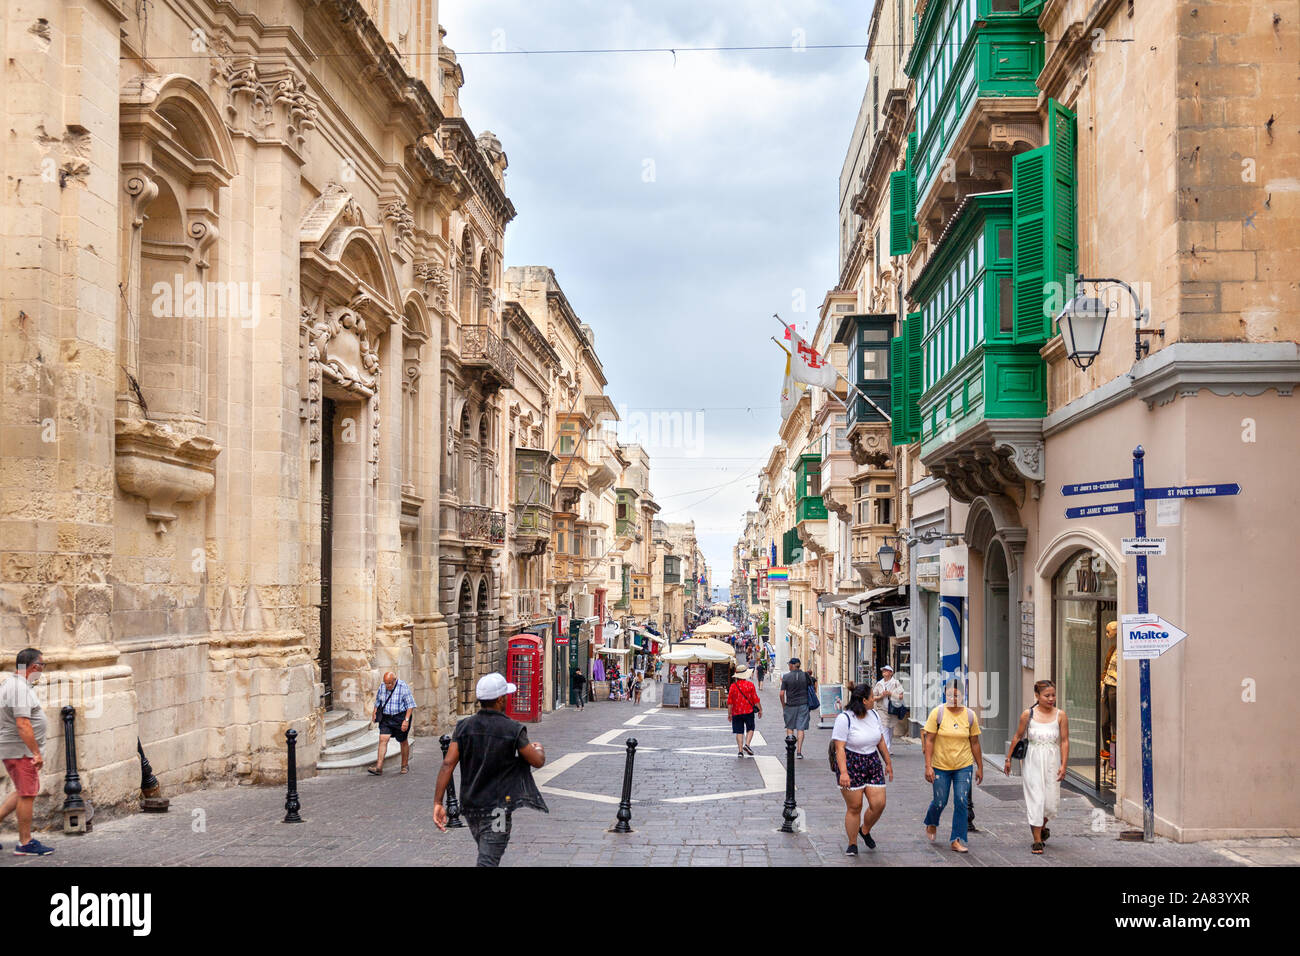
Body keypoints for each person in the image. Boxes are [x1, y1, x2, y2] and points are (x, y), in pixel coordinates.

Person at [434, 672, 547, 867]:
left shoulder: (463, 727)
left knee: (487, 854)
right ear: (500, 699)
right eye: (506, 696)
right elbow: (536, 761)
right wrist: (539, 749)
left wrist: (437, 802)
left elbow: (447, 764)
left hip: (471, 806)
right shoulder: (512, 729)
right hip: (498, 809)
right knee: (488, 861)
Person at [0, 648, 54, 856]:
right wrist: (35, 753)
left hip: (16, 749)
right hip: (21, 751)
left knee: (22, 791)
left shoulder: (13, 684)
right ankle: (25, 843)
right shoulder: (19, 689)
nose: (42, 670)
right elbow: (23, 723)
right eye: (42, 666)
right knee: (27, 794)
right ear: (34, 667)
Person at [1004, 680, 1068, 854]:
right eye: (1047, 695)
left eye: (1053, 695)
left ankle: (1042, 827)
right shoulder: (1028, 714)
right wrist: (1008, 759)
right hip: (1032, 760)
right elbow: (1017, 736)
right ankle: (1037, 840)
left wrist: (1064, 765)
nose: (1051, 699)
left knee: (1051, 803)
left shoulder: (1060, 715)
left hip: (1052, 761)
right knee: (1036, 799)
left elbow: (1064, 741)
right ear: (1037, 696)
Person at [922, 681, 984, 853]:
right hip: (940, 766)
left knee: (962, 801)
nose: (952, 698)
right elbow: (930, 740)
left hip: (963, 766)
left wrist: (980, 766)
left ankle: (956, 839)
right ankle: (932, 822)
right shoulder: (938, 713)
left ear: (963, 696)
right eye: (949, 695)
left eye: (956, 695)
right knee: (940, 801)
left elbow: (975, 743)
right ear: (945, 695)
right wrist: (928, 766)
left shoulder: (970, 715)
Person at [832, 684, 893, 856]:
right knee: (855, 806)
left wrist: (888, 762)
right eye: (872, 697)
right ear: (864, 700)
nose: (874, 699)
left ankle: (864, 830)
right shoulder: (845, 719)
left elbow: (881, 740)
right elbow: (840, 748)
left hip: (872, 762)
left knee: (879, 804)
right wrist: (843, 772)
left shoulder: (874, 714)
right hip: (852, 763)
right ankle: (852, 844)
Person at [368, 671, 415, 775]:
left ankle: (404, 765)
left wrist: (406, 721)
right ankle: (379, 767)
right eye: (386, 683)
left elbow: (410, 705)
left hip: (400, 717)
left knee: (402, 741)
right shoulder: (382, 686)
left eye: (390, 683)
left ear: (395, 680)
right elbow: (378, 701)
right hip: (386, 718)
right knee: (383, 739)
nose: (388, 685)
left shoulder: (403, 687)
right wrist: (374, 712)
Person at [727, 665, 763, 757]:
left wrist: (729, 714)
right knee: (750, 728)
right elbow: (755, 699)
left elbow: (730, 702)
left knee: (739, 731)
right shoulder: (750, 685)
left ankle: (740, 751)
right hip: (748, 711)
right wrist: (760, 709)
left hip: (736, 712)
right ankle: (747, 744)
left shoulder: (733, 686)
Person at [779, 658, 811, 758]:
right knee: (801, 728)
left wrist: (783, 704)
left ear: (792, 665)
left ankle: (790, 750)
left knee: (790, 727)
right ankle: (799, 752)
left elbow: (781, 693)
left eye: (789, 664)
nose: (788, 666)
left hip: (790, 705)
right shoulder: (805, 675)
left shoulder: (786, 677)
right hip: (803, 704)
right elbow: (812, 687)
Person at [872, 664, 906, 749]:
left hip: (893, 709)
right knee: (885, 727)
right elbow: (873, 697)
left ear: (891, 673)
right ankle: (886, 749)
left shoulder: (895, 683)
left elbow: (901, 696)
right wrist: (881, 696)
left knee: (890, 728)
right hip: (882, 709)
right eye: (883, 670)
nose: (884, 672)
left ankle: (888, 747)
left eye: (886, 670)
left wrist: (890, 694)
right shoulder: (879, 684)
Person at [1100, 621, 1118, 763]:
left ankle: (1113, 760)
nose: (1107, 635)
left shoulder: (1122, 651)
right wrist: (1102, 680)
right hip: (1107, 686)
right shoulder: (1113, 648)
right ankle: (1107, 752)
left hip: (1115, 688)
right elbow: (1106, 666)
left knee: (1114, 726)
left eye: (1108, 632)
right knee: (1104, 723)